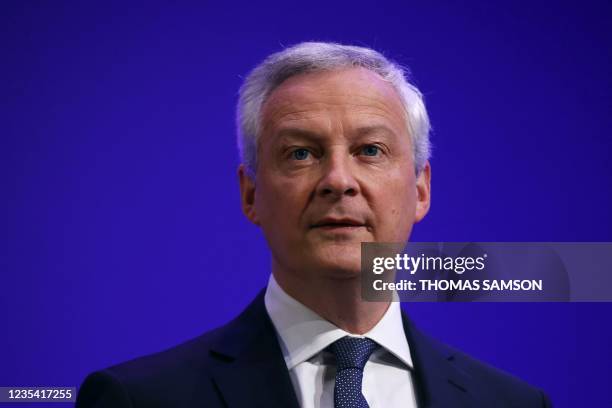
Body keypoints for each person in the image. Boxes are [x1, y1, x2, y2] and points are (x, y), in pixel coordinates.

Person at [76, 42, 551, 407]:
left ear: (420, 190)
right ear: (250, 194)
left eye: (370, 150)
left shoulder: (514, 403)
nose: (338, 181)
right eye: (300, 153)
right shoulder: (138, 399)